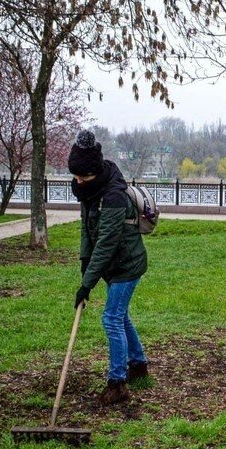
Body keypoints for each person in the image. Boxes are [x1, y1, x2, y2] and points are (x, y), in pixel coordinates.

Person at [69, 130, 149, 405]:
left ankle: (117, 384)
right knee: (120, 315)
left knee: (111, 318)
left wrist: (87, 284)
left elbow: (106, 243)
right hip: (113, 266)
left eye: (82, 177)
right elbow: (86, 231)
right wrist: (84, 265)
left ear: (95, 172)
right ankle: (138, 364)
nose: (78, 182)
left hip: (127, 264)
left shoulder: (113, 196)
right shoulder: (89, 191)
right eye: (75, 177)